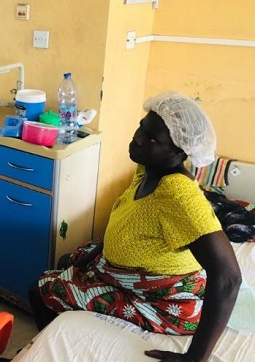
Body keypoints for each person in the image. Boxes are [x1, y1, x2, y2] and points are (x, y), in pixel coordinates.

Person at [28, 92, 242, 362]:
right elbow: (126, 216)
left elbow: (229, 277)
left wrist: (195, 359)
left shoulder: (179, 195)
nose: (138, 138)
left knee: (40, 289)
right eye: (142, 127)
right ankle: (57, 327)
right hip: (124, 269)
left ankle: (51, 349)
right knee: (66, 259)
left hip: (162, 299)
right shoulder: (147, 168)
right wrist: (93, 257)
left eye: (152, 139)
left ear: (178, 152)